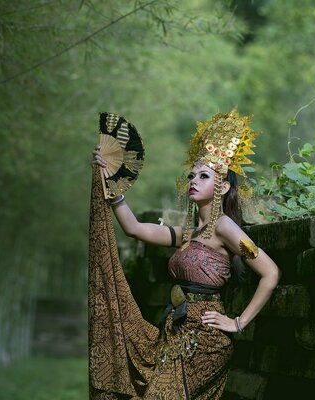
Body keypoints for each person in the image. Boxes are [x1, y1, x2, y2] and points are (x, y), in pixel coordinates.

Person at [88, 109, 280, 399]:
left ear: (223, 186)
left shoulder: (224, 226)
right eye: (192, 175)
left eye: (204, 176)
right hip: (174, 334)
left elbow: (271, 272)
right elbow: (133, 228)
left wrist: (238, 322)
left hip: (205, 342)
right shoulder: (186, 234)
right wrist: (112, 182)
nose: (194, 180)